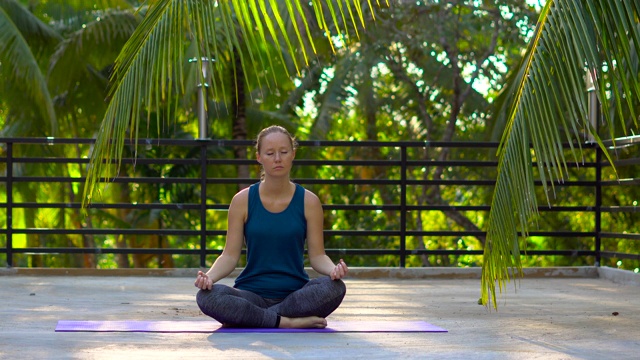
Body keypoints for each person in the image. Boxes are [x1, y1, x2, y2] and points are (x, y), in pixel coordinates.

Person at [194, 125, 348, 329]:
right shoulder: (242, 200)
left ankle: (260, 319)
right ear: (259, 157)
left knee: (334, 287)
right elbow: (230, 256)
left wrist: (333, 270)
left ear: (293, 154)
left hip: (295, 297)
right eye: (270, 153)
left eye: (284, 152)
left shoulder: (309, 201)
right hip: (251, 294)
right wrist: (209, 278)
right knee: (208, 296)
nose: (277, 158)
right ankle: (286, 322)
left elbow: (318, 256)